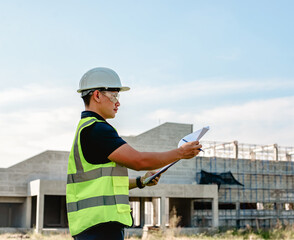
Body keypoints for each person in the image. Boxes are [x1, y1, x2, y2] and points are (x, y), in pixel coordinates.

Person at [66, 67, 202, 240]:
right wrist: (180, 153)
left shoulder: (87, 128)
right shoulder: (97, 129)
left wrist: (140, 181)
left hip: (93, 227)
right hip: (100, 228)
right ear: (97, 95)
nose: (118, 102)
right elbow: (139, 161)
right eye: (114, 95)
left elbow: (108, 184)